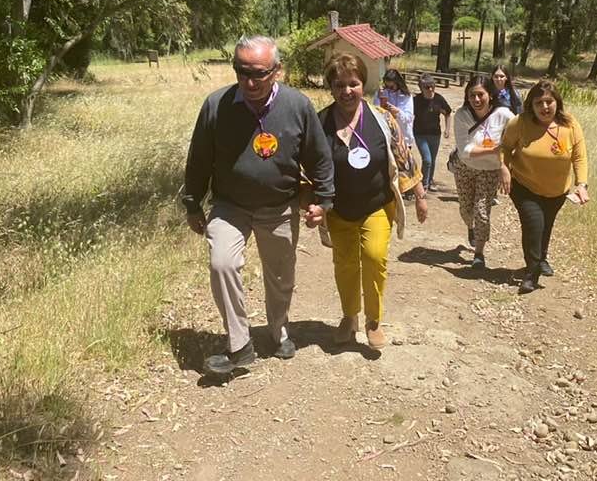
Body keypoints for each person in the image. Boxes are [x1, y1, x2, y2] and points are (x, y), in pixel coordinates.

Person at [182, 35, 334, 374]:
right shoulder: (216, 105)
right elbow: (199, 159)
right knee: (222, 264)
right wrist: (192, 203)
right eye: (242, 71)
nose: (249, 81)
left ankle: (279, 331)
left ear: (277, 70)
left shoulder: (297, 106)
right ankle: (239, 344)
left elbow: (319, 156)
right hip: (229, 206)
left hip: (279, 207)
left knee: (280, 277)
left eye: (259, 73)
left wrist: (324, 199)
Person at [318, 53, 428, 349]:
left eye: (352, 83)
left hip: (376, 205)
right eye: (339, 85)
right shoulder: (320, 122)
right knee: (345, 264)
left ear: (362, 84)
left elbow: (403, 156)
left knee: (375, 257)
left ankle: (373, 320)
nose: (346, 91)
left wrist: (419, 195)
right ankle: (349, 317)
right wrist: (312, 202)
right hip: (339, 210)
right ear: (331, 88)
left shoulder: (382, 119)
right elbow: (310, 167)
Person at [500, 79, 589, 294]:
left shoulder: (570, 124)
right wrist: (503, 168)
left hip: (557, 190)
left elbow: (579, 157)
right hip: (524, 186)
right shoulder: (519, 123)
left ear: (557, 103)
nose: (544, 107)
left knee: (546, 226)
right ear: (531, 105)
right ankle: (531, 274)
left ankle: (542, 258)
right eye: (539, 103)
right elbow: (504, 147)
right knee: (534, 225)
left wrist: (582, 184)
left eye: (549, 101)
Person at [452, 75, 515, 270]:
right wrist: (495, 151)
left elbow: (518, 138)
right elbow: (465, 150)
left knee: (482, 211)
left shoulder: (504, 115)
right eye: (472, 96)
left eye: (480, 95)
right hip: (465, 167)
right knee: (466, 209)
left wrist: (505, 165)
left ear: (491, 95)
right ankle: (470, 228)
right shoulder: (462, 116)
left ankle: (479, 253)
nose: (476, 100)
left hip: (489, 171)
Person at [412, 74, 452, 192]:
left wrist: (447, 129)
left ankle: (430, 181)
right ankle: (424, 184)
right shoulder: (416, 100)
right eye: (426, 87)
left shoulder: (439, 99)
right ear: (421, 87)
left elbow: (448, 113)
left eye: (432, 86)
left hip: (435, 134)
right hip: (420, 134)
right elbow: (409, 115)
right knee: (427, 159)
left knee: (432, 160)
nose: (430, 89)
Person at [375, 69, 415, 147]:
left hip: (403, 139)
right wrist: (379, 98)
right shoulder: (382, 93)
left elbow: (408, 118)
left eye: (391, 87)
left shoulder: (406, 96)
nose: (389, 89)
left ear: (398, 83)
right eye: (387, 86)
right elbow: (375, 112)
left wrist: (397, 112)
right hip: (386, 137)